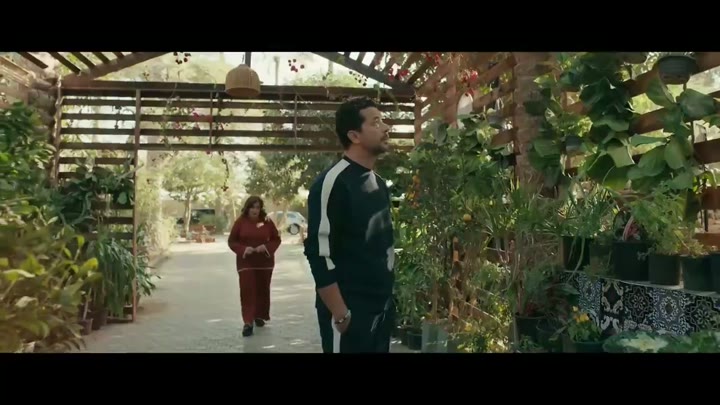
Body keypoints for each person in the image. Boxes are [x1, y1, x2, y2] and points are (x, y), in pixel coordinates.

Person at [304, 96, 396, 353]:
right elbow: (318, 253)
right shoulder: (332, 183)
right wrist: (340, 313)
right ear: (354, 135)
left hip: (381, 312)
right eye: (375, 122)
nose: (386, 127)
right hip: (350, 315)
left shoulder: (379, 184)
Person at [228, 196, 282, 337]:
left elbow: (276, 239)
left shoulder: (267, 221)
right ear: (247, 208)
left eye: (258, 207)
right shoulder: (240, 222)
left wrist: (266, 247)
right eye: (252, 207)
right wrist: (243, 249)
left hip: (264, 262)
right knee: (247, 290)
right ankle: (248, 322)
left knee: (262, 290)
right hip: (246, 262)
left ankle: (259, 315)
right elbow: (232, 241)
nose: (255, 210)